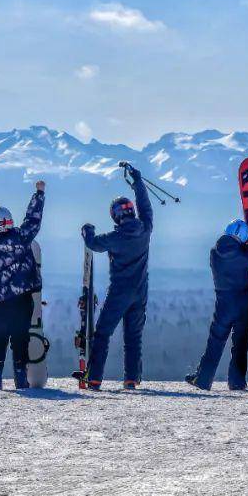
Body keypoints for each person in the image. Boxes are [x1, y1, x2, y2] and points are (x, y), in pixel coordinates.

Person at [82, 162, 153, 390]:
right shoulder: (145, 229)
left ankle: (94, 379)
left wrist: (87, 230)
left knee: (102, 334)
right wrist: (138, 182)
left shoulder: (115, 237)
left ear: (115, 216)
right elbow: (146, 207)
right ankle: (132, 379)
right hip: (140, 293)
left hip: (119, 294)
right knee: (134, 338)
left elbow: (93, 243)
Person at [186, 215, 248, 391]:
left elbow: (235, 253)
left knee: (215, 341)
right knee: (240, 344)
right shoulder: (245, 256)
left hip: (223, 304)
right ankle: (237, 381)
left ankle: (203, 378)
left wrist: (245, 245)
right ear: (243, 237)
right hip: (244, 305)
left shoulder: (214, 253)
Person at [0, 181, 46, 390]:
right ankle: (20, 377)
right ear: (9, 222)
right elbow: (33, 220)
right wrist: (39, 194)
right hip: (22, 301)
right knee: (20, 340)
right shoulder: (21, 239)